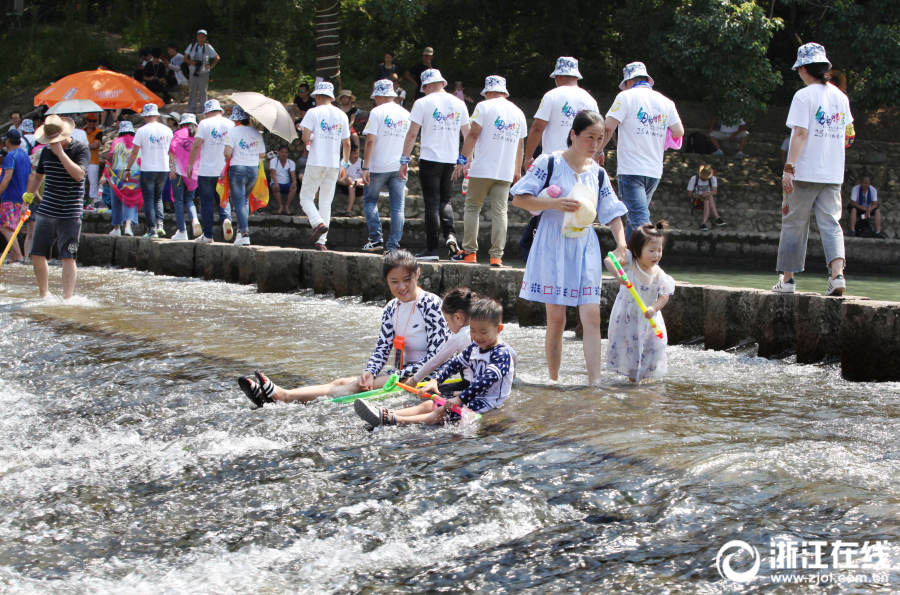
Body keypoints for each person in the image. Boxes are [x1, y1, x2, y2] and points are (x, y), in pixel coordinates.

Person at [238, 249, 449, 406]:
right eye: (394, 281)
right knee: (342, 380)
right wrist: (370, 371)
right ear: (386, 280)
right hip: (400, 373)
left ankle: (283, 396)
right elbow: (382, 347)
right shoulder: (391, 307)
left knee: (353, 387)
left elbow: (438, 356)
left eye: (407, 280)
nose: (401, 287)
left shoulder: (431, 304)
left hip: (426, 376)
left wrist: (402, 374)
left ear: (417, 274)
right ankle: (273, 396)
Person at [510, 110, 628, 385]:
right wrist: (553, 203)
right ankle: (554, 379)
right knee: (557, 318)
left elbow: (611, 212)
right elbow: (519, 198)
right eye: (589, 137)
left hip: (584, 246)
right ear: (573, 134)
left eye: (600, 139)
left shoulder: (598, 174)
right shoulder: (549, 162)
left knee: (592, 316)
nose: (595, 144)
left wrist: (621, 243)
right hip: (552, 244)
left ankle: (594, 382)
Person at [355, 297, 516, 427]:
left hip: (490, 401)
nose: (477, 336)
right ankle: (383, 413)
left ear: (499, 329)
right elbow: (454, 365)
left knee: (441, 412)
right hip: (473, 394)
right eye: (473, 330)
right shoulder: (475, 347)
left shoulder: (501, 354)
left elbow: (484, 383)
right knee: (429, 403)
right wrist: (435, 380)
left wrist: (459, 399)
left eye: (483, 332)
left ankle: (392, 419)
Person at [774, 43, 852, 297]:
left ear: (805, 69)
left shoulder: (804, 96)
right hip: (832, 173)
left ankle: (787, 280)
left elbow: (800, 133)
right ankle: (837, 276)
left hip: (805, 172)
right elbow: (849, 135)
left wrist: (789, 168)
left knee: (794, 223)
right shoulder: (841, 97)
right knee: (831, 223)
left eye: (799, 69)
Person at [599, 61, 684, 240]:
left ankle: (650, 263)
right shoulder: (666, 102)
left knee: (640, 222)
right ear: (647, 79)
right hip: (654, 170)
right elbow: (679, 131)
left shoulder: (625, 97)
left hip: (631, 169)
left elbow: (608, 127)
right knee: (634, 220)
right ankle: (629, 264)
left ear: (628, 82)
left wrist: (598, 150)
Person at [451, 76, 526, 267]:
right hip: (505, 171)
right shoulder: (518, 112)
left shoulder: (483, 107)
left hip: (482, 168)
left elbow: (473, 134)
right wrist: (517, 172)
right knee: (500, 213)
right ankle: (496, 257)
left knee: (472, 208)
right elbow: (520, 146)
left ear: (488, 92)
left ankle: (469, 253)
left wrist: (461, 160)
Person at [401, 69, 470, 261]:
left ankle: (431, 249)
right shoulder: (459, 103)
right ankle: (450, 236)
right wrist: (464, 161)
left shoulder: (422, 103)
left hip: (430, 159)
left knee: (432, 204)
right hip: (450, 160)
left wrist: (404, 160)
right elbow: (468, 135)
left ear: (428, 85)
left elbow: (412, 134)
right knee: (445, 201)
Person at [23, 115, 90, 299]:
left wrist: (61, 153)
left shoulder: (80, 149)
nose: (52, 143)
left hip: (70, 211)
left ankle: (67, 298)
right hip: (46, 208)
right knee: (37, 253)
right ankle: (44, 294)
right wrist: (27, 201)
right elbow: (37, 177)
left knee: (68, 256)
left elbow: (79, 175)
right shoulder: (45, 152)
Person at [604, 222, 675, 382]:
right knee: (632, 351)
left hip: (649, 319)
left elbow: (664, 297)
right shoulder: (630, 262)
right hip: (628, 318)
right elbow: (609, 259)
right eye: (651, 251)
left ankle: (645, 382)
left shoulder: (659, 275)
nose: (656, 255)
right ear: (637, 250)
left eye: (659, 250)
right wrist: (618, 275)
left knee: (651, 350)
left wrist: (654, 308)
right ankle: (633, 382)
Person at [297, 82, 351, 250]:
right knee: (326, 203)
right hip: (334, 164)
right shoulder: (342, 115)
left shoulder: (313, 112)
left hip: (315, 162)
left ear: (318, 96)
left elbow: (305, 138)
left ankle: (317, 223)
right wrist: (345, 163)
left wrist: (311, 137)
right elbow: (347, 143)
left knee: (305, 198)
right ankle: (322, 242)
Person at [361, 79, 410, 253]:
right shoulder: (405, 113)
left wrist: (365, 167)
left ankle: (376, 239)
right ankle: (393, 246)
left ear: (380, 95)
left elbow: (370, 141)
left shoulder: (377, 112)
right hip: (399, 167)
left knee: (369, 200)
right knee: (397, 207)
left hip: (377, 167)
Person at [524, 57, 599, 171]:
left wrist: (528, 157)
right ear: (577, 77)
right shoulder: (590, 100)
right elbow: (597, 132)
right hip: (581, 163)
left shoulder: (552, 95)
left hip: (553, 162)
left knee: (552, 190)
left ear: (558, 76)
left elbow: (537, 128)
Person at [189, 99, 235, 243]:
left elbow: (196, 145)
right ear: (221, 111)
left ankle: (208, 235)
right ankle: (226, 218)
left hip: (206, 171)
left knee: (207, 203)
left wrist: (190, 165)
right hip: (224, 169)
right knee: (223, 198)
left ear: (207, 113)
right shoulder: (231, 124)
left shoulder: (204, 123)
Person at [125, 104, 173, 238]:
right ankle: (160, 225)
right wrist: (173, 166)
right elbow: (171, 151)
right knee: (158, 199)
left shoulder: (142, 130)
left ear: (145, 116)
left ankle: (151, 230)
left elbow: (134, 152)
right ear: (157, 115)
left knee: (148, 199)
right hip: (163, 168)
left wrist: (128, 168)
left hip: (148, 169)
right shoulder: (167, 130)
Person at [222, 105, 265, 246]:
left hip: (238, 169)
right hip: (253, 169)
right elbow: (262, 154)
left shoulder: (233, 132)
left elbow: (227, 154)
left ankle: (245, 234)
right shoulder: (256, 132)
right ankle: (241, 232)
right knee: (245, 201)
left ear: (236, 119)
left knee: (239, 202)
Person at [103, 121, 141, 237]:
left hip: (117, 175)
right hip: (134, 175)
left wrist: (105, 174)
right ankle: (128, 227)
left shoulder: (116, 141)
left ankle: (117, 228)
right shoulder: (136, 141)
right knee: (131, 200)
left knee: (116, 200)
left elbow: (110, 159)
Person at [168, 113, 202, 240]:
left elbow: (171, 150)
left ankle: (182, 231)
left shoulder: (178, 133)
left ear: (181, 123)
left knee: (178, 202)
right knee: (189, 199)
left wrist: (172, 167)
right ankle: (194, 220)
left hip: (178, 172)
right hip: (193, 173)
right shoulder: (198, 134)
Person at [0, 129, 31, 263]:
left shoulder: (10, 155)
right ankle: (13, 259)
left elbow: (7, 177)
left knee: (4, 227)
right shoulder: (25, 155)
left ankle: (19, 257)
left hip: (9, 197)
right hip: (21, 197)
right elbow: (30, 178)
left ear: (7, 141)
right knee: (12, 228)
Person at [184, 30, 220, 114]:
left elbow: (217, 57)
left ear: (205, 38)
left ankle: (203, 109)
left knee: (203, 91)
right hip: (193, 70)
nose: (201, 38)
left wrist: (211, 66)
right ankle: (191, 109)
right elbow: (185, 58)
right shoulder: (192, 46)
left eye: (203, 37)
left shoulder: (208, 47)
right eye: (199, 36)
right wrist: (191, 63)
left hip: (204, 71)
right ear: (197, 37)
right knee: (193, 90)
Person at [687, 164, 725, 231]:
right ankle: (717, 218)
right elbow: (689, 194)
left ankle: (704, 224)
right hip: (697, 200)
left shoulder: (713, 179)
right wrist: (695, 195)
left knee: (708, 197)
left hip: (707, 200)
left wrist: (707, 193)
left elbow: (715, 192)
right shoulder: (694, 179)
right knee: (708, 197)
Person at [335, 144, 364, 217]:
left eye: (357, 153)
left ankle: (348, 210)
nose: (356, 155)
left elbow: (365, 177)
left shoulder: (362, 162)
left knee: (351, 187)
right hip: (345, 184)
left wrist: (358, 181)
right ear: (350, 154)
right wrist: (347, 178)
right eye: (354, 153)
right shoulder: (345, 161)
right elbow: (340, 173)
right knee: (338, 179)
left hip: (358, 186)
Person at [82, 113, 104, 207]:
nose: (92, 123)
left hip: (93, 160)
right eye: (90, 120)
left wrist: (82, 145)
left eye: (94, 121)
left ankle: (92, 203)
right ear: (86, 121)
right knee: (80, 181)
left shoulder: (99, 131)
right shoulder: (81, 131)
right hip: (82, 160)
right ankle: (80, 201)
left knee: (93, 182)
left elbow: (96, 145)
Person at [269, 145, 297, 214]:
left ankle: (287, 207)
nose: (284, 154)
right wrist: (276, 183)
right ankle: (280, 206)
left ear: (288, 154)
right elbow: (273, 173)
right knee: (275, 187)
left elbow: (293, 174)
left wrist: (294, 181)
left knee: (294, 188)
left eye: (286, 152)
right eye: (282, 152)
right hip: (276, 182)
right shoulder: (274, 161)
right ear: (279, 153)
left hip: (286, 183)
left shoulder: (291, 162)